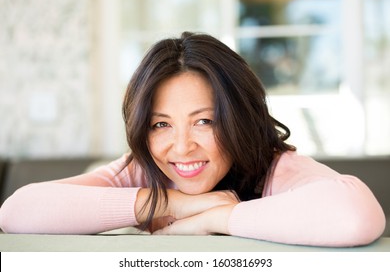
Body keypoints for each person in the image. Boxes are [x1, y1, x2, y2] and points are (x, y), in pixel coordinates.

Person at [0, 32, 385, 247]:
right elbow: (16, 212)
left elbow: (355, 216)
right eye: (160, 125)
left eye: (203, 121)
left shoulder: (275, 168)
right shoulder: (143, 171)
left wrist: (215, 217)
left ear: (239, 119)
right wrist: (175, 204)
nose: (181, 147)